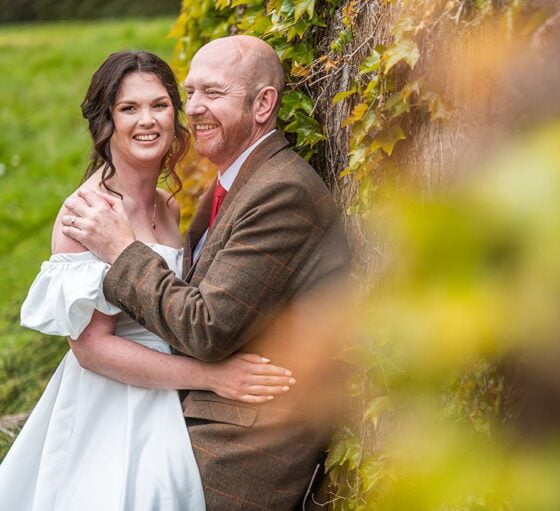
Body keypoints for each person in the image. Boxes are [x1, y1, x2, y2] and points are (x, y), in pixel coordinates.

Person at [62, 36, 351, 510]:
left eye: (211, 94)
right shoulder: (231, 184)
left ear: (263, 104)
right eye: (190, 93)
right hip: (177, 405)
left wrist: (123, 250)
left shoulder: (281, 192)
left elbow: (207, 327)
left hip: (244, 439)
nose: (192, 108)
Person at [0, 51, 296, 510]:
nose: (148, 121)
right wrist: (213, 377)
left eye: (159, 105)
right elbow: (92, 348)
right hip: (115, 404)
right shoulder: (87, 213)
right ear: (106, 121)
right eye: (129, 108)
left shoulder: (168, 205)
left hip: (170, 393)